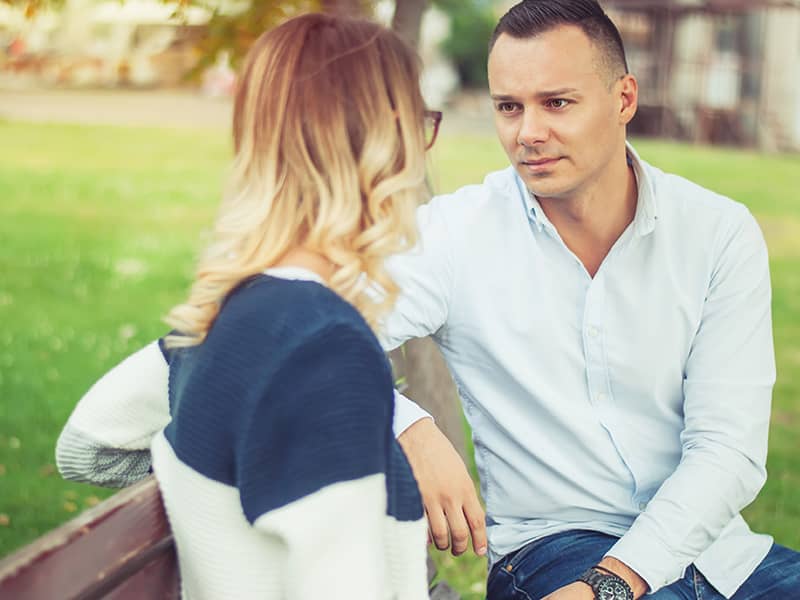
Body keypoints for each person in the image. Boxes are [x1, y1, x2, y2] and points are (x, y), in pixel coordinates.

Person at [58, 2, 800, 599]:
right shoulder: (443, 245)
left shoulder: (717, 231)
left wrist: (611, 585)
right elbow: (322, 351)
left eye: (557, 103)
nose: (527, 133)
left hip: (718, 552)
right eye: (507, 107)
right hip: (552, 552)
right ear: (386, 146)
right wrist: (406, 423)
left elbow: (85, 443)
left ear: (623, 98)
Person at [56, 12, 440, 599]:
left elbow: (87, 448)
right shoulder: (327, 348)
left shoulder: (217, 322)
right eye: (423, 124)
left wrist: (227, 498)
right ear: (389, 136)